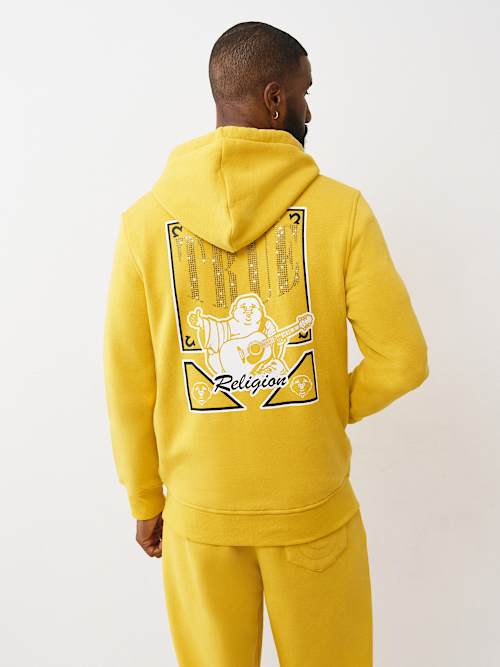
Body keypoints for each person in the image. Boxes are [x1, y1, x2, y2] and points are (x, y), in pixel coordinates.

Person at [103, 20, 429, 667]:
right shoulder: (342, 212)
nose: (310, 109)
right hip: (313, 511)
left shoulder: (143, 225)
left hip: (200, 517)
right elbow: (403, 359)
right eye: (305, 92)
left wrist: (145, 499)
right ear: (276, 100)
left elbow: (127, 382)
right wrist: (327, 400)